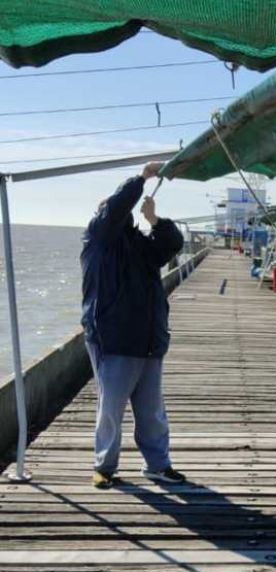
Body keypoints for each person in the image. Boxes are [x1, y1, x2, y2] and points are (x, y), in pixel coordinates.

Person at [81, 162, 186, 489]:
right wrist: (141, 178)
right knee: (110, 409)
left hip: (149, 340)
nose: (117, 212)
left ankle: (158, 465)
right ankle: (104, 466)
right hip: (113, 339)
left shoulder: (140, 245)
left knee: (152, 411)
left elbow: (172, 244)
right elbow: (115, 208)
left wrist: (155, 220)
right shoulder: (98, 240)